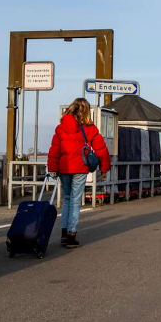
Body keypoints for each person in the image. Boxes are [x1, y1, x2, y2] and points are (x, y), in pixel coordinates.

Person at [47, 98, 111, 248]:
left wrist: (52, 168)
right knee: (75, 201)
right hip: (80, 168)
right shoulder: (90, 129)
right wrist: (104, 168)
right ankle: (71, 236)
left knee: (67, 199)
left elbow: (54, 150)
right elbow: (101, 150)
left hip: (64, 168)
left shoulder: (61, 128)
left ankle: (63, 233)